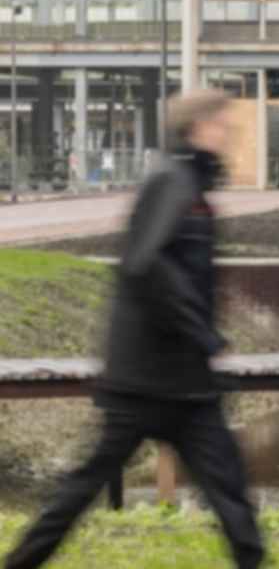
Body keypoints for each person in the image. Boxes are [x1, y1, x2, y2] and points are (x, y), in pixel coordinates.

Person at [4, 90, 264, 569]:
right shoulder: (171, 183)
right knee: (82, 490)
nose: (230, 131)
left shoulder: (189, 184)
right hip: (148, 380)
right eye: (222, 122)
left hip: (182, 383)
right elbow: (147, 265)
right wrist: (201, 334)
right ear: (199, 127)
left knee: (231, 495)